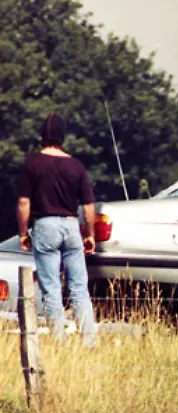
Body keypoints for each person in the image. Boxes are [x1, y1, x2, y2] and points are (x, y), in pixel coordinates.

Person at [16, 113, 98, 348]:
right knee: (79, 287)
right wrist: (89, 234)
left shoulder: (32, 164)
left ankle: (60, 343)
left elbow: (24, 203)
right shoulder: (76, 166)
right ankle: (89, 343)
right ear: (63, 137)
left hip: (45, 226)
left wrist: (23, 233)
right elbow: (89, 205)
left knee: (51, 287)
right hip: (71, 226)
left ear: (42, 136)